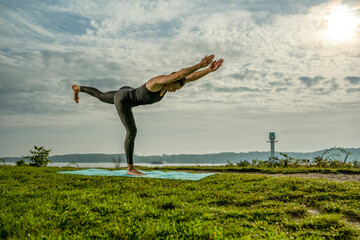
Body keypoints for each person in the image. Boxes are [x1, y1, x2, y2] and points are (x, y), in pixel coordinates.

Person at [72, 55, 223, 176]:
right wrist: (199, 64)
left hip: (128, 91)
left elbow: (189, 77)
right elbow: (180, 73)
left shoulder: (171, 84)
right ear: (172, 80)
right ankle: (130, 168)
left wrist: (208, 71)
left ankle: (79, 88)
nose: (175, 91)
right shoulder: (157, 82)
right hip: (124, 99)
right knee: (131, 131)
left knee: (101, 95)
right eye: (175, 88)